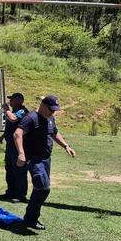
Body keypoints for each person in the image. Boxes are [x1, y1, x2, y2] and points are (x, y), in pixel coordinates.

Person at [14, 95, 76, 230]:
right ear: (42, 105)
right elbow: (17, 134)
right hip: (34, 159)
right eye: (51, 109)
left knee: (41, 189)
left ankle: (30, 218)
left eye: (54, 110)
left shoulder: (50, 118)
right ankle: (30, 218)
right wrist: (21, 153)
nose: (53, 112)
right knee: (43, 187)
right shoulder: (31, 118)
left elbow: (54, 133)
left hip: (46, 159)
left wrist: (66, 146)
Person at [0, 92, 29, 202]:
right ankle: (10, 192)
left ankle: (20, 195)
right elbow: (13, 126)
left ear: (19, 100)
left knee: (19, 170)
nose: (9, 102)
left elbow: (13, 119)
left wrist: (6, 109)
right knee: (9, 169)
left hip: (18, 146)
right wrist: (3, 136)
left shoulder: (22, 111)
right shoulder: (15, 111)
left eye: (12, 99)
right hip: (10, 145)